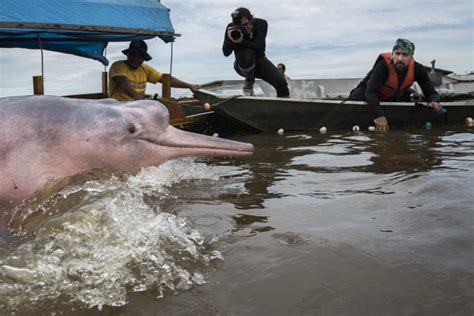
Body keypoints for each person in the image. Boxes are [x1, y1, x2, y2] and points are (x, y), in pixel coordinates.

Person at [349, 38, 442, 131]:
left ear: (411, 57)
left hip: (395, 94)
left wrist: (434, 101)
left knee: (416, 97)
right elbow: (370, 93)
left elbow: (432, 93)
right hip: (374, 92)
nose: (400, 58)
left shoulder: (418, 69)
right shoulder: (383, 66)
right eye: (397, 53)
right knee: (355, 96)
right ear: (392, 54)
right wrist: (380, 116)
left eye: (405, 55)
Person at [222, 7, 289, 97]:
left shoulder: (261, 24)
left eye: (246, 24)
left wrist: (242, 41)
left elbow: (260, 48)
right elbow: (226, 53)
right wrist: (230, 40)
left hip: (260, 60)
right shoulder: (231, 28)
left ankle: (284, 107)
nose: (245, 28)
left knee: (281, 83)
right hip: (242, 64)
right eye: (241, 26)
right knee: (247, 54)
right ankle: (249, 82)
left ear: (251, 19)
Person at [109, 40, 200, 101]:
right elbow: (122, 82)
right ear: (128, 55)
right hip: (118, 108)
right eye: (133, 54)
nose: (136, 58)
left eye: (140, 56)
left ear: (144, 58)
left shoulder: (145, 69)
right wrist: (136, 95)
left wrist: (189, 85)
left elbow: (167, 80)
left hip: (137, 107)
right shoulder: (118, 65)